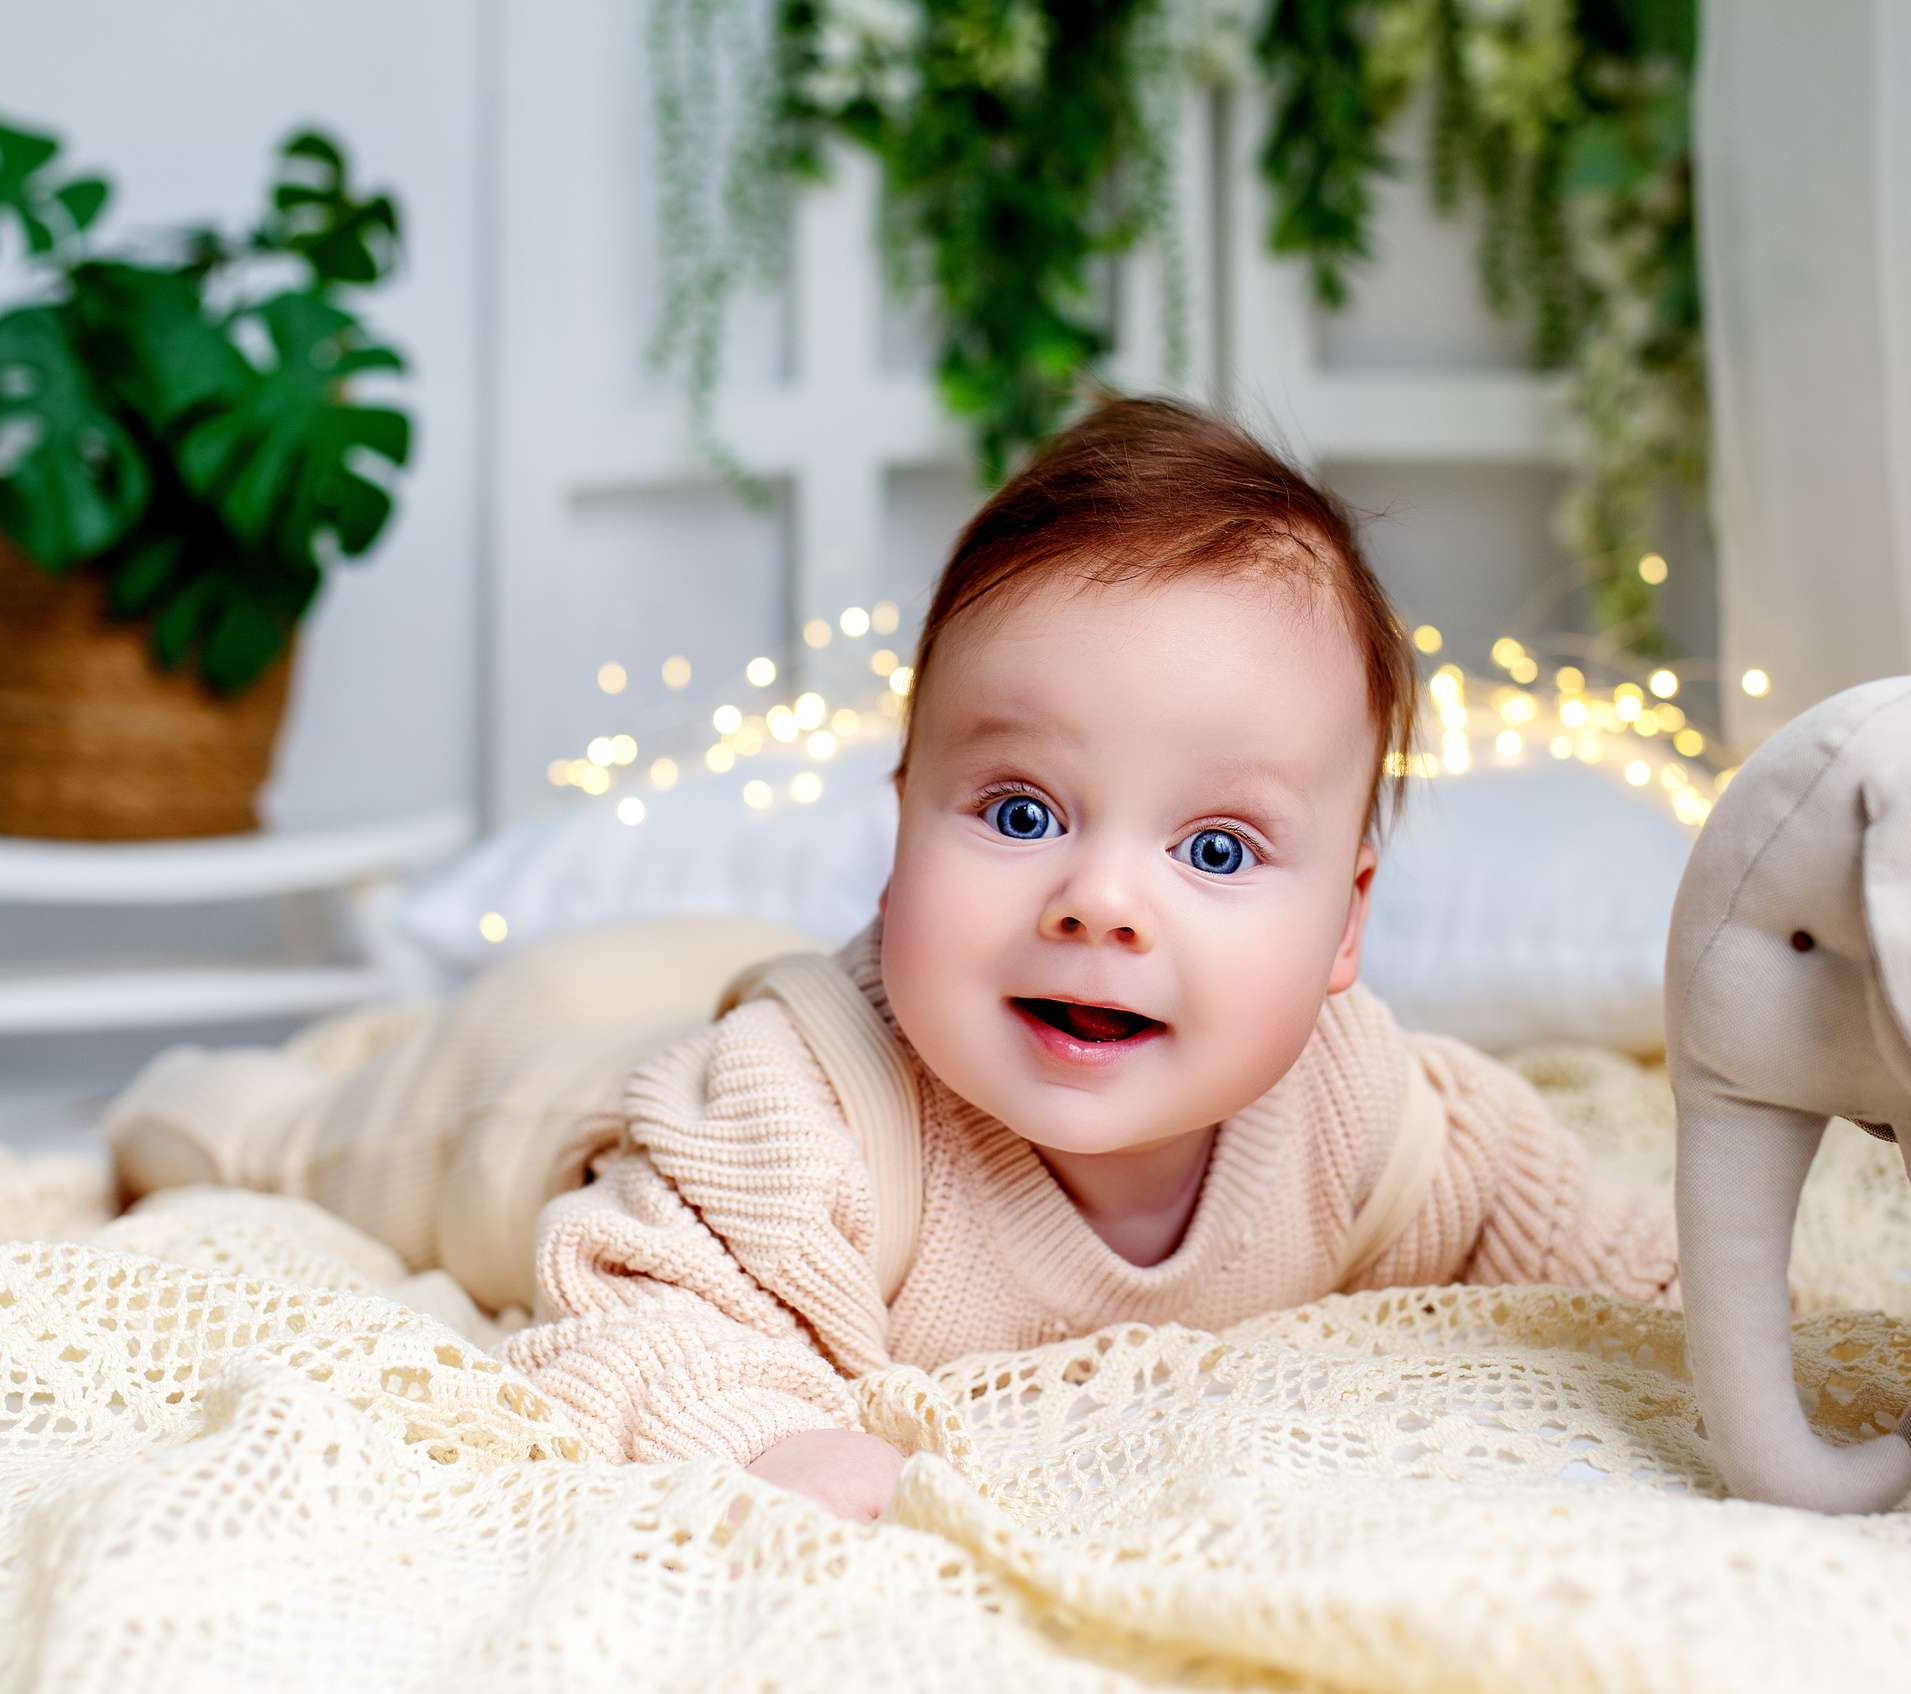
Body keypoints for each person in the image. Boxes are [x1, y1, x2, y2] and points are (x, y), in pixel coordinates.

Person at [492, 397, 1679, 1521]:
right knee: (327, 1116)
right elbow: (644, 1314)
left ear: (1346, 925)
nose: (1100, 903)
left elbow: (1583, 1241)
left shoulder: (1358, 1114)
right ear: (900, 840)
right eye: (1020, 815)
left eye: (1215, 847)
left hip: (713, 986)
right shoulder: (794, 1113)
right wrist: (767, 1441)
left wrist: (1730, 1316)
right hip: (521, 1075)